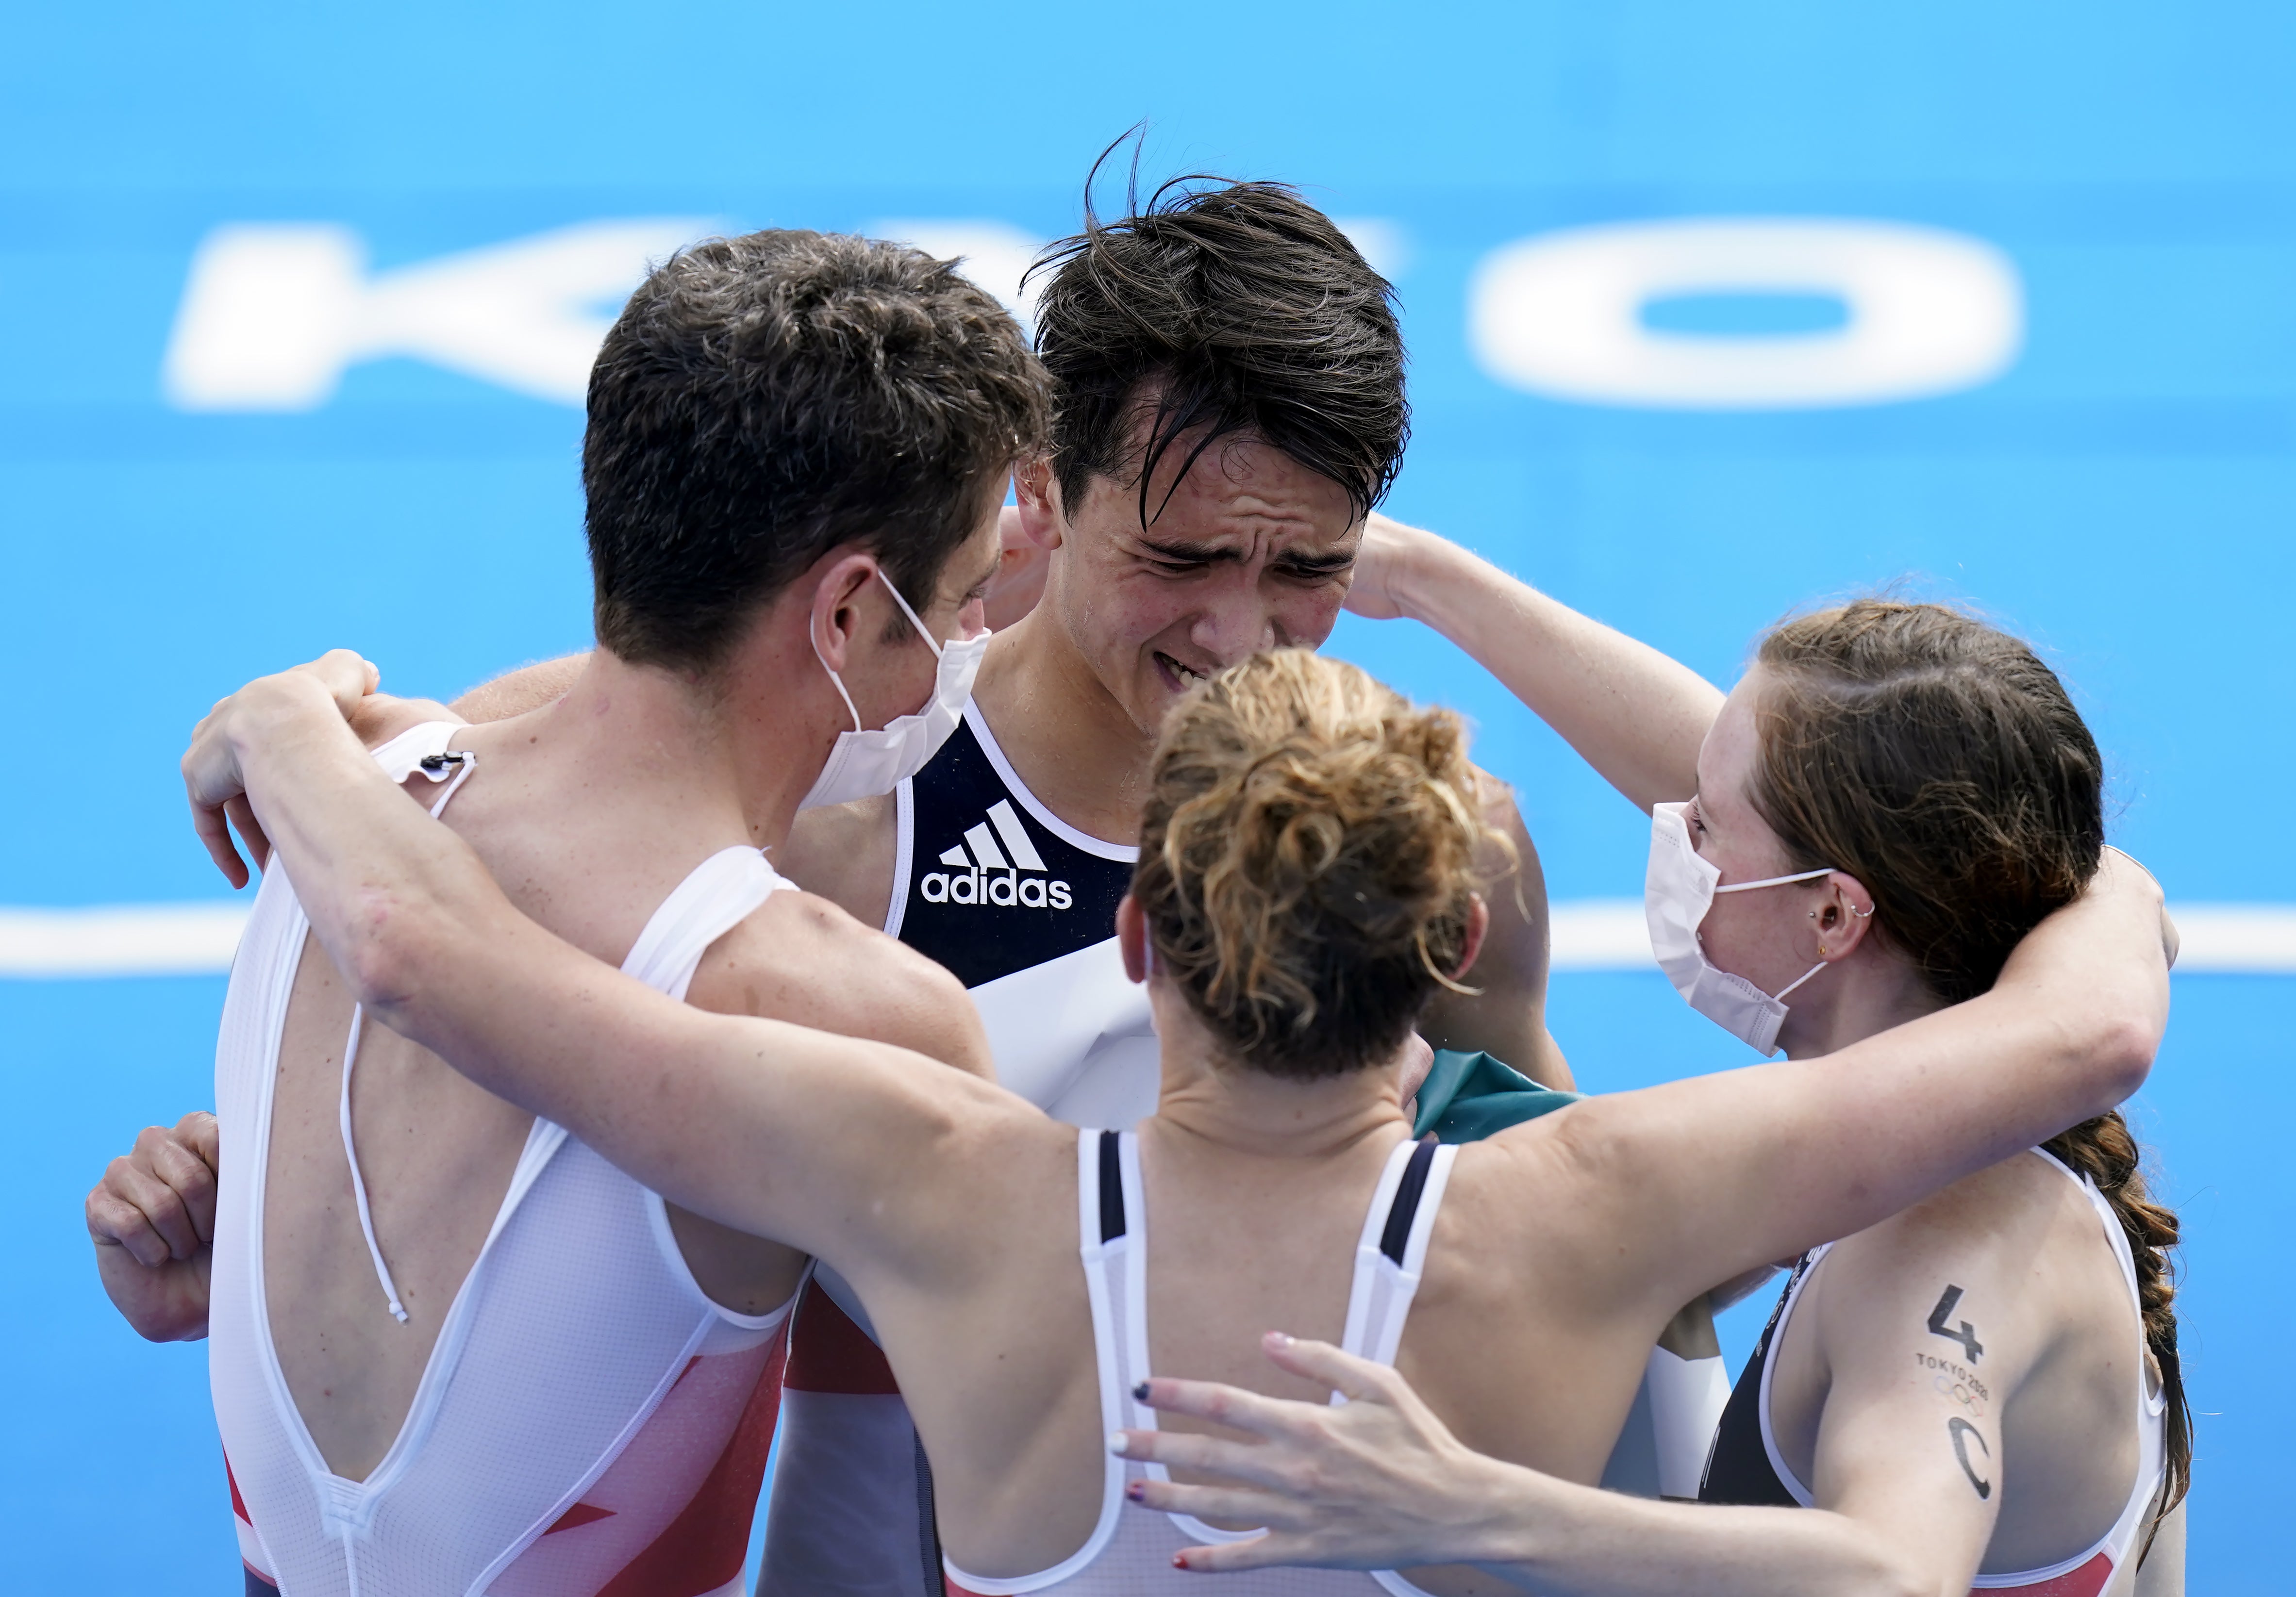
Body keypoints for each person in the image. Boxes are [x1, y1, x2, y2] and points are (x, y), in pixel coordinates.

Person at [178, 638, 2167, 1596]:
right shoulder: (1608, 1199)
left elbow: (439, 966)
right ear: (1460, 933)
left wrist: (291, 727)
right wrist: (2077, 867)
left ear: (1133, 936)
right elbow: (2078, 1018)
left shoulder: (931, 1186)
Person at [430, 171, 1721, 1590]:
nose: (1239, 629)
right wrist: (230, 1167)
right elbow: (535, 826)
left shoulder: (1413, 839)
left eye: (1308, 566)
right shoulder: (854, 804)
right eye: (1181, 560)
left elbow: (1601, 1278)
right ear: (1041, 488)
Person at [82, 230, 1047, 1596]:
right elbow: (1038, 1506)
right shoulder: (842, 1012)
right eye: (956, 606)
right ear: (844, 612)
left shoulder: (326, 793)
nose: (967, 652)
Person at [1097, 530, 2191, 1595]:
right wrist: (1419, 576)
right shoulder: (1939, 1135)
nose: (1673, 834)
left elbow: (1896, 1571)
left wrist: (1462, 1501)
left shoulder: (1937, 1242)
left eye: (1706, 825)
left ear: (1832, 911)